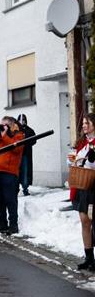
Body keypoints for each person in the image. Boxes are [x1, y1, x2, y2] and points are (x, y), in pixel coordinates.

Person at [0, 116, 25, 234]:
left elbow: (17, 149)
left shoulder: (18, 135)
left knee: (10, 199)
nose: (2, 127)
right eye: (0, 124)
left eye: (4, 125)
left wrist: (5, 136)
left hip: (9, 172)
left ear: (11, 125)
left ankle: (13, 224)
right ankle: (2, 222)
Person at [71, 113, 95, 270]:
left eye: (87, 123)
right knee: (84, 221)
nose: (84, 125)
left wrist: (92, 160)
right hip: (82, 185)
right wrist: (72, 159)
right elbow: (76, 160)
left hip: (94, 186)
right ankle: (88, 258)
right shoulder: (81, 142)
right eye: (84, 123)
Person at [17, 113, 36, 196]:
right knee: (16, 172)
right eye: (20, 120)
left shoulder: (29, 130)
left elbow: (34, 140)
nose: (22, 122)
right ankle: (15, 188)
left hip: (25, 155)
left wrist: (27, 143)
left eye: (23, 120)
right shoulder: (15, 130)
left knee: (25, 171)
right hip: (17, 155)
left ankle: (25, 188)